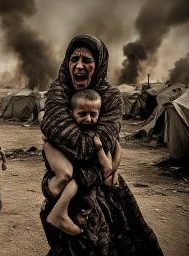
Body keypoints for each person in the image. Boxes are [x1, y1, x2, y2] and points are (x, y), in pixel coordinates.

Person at [40, 34, 163, 255]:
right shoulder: (57, 92)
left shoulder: (112, 97)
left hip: (104, 195)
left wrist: (57, 179)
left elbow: (89, 144)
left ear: (99, 64)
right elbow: (61, 131)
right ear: (66, 62)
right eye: (74, 59)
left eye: (87, 60)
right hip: (73, 194)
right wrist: (105, 169)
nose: (79, 65)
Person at [39, 89, 120, 235]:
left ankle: (61, 213)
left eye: (93, 114)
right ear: (71, 113)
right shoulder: (65, 128)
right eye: (82, 114)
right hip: (61, 182)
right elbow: (44, 121)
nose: (88, 119)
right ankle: (59, 213)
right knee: (72, 178)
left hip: (85, 186)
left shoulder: (101, 131)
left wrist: (114, 168)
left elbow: (114, 151)